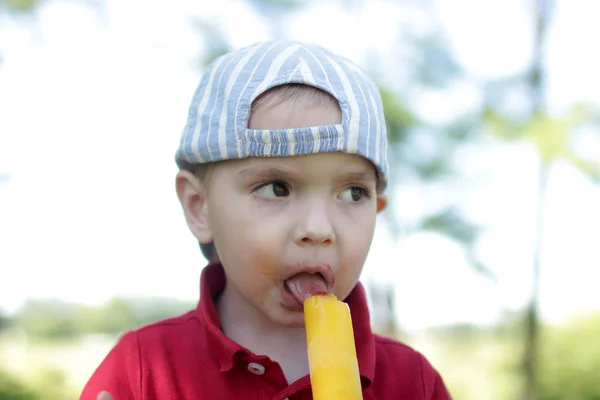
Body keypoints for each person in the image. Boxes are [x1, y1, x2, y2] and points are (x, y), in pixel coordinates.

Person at [80, 40, 452, 399]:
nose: (318, 230)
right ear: (199, 206)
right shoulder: (142, 372)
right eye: (277, 188)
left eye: (353, 192)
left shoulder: (413, 382)